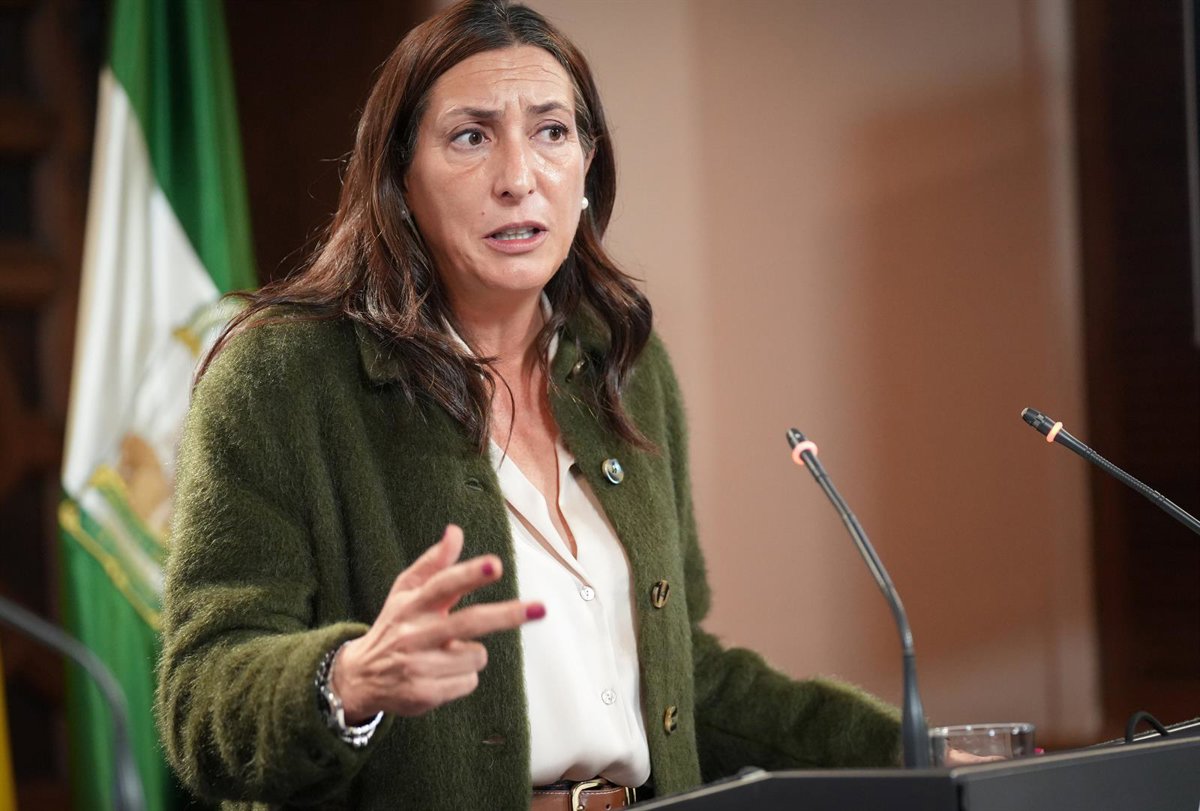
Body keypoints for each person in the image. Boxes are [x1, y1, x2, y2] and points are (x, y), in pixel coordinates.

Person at [155, 1, 903, 808]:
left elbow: (686, 675)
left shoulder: (624, 366)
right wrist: (349, 678)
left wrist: (915, 749)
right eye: (471, 137)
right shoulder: (283, 380)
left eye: (551, 131)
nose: (519, 177)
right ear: (399, 178)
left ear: (586, 166)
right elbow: (200, 697)